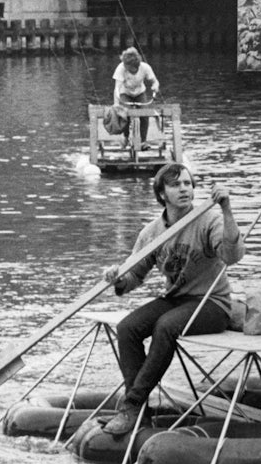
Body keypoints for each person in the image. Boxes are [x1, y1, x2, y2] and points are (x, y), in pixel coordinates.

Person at [101, 163, 246, 435]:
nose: (184, 189)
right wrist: (117, 278)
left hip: (212, 304)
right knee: (127, 328)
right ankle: (140, 415)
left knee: (166, 326)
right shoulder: (151, 233)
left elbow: (232, 255)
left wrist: (227, 210)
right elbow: (133, 277)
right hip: (176, 299)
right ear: (162, 194)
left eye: (188, 184)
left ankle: (132, 404)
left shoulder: (208, 220)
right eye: (176, 185)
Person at [112, 46, 160, 148]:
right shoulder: (121, 68)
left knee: (144, 114)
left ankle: (143, 141)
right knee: (125, 113)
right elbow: (117, 88)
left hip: (140, 93)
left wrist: (155, 86)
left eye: (128, 67)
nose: (126, 68)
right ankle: (125, 136)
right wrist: (116, 103)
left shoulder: (145, 67)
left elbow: (155, 81)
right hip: (125, 93)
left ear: (135, 65)